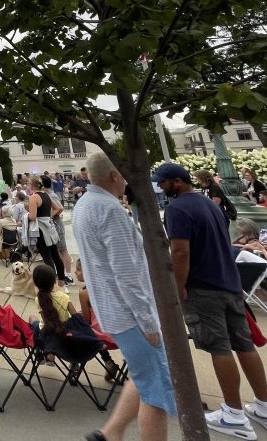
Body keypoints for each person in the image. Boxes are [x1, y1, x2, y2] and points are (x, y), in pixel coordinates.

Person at [158, 162, 267, 440]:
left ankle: (234, 414)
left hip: (203, 287)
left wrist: (177, 287)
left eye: (164, 182)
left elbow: (180, 251)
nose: (160, 186)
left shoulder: (177, 208)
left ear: (177, 182)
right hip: (229, 283)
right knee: (243, 344)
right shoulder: (210, 205)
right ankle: (265, 409)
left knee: (219, 347)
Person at [75, 152, 175, 441]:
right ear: (114, 176)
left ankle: (111, 432)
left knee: (145, 375)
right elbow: (126, 273)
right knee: (155, 392)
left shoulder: (85, 204)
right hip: (128, 312)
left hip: (111, 307)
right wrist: (147, 321)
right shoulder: (108, 209)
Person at [28, 175, 70, 284]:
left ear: (32, 185)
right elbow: (58, 208)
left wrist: (25, 217)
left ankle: (52, 283)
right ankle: (61, 281)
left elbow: (32, 216)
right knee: (55, 255)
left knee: (47, 257)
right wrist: (48, 217)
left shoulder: (34, 197)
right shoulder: (46, 195)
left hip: (41, 230)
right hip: (50, 227)